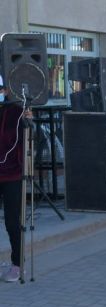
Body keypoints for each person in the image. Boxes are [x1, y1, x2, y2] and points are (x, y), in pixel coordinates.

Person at [0, 78, 25, 282]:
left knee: (12, 221)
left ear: (6, 90)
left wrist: (30, 122)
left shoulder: (16, 113)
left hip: (12, 175)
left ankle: (17, 264)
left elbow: (28, 142)